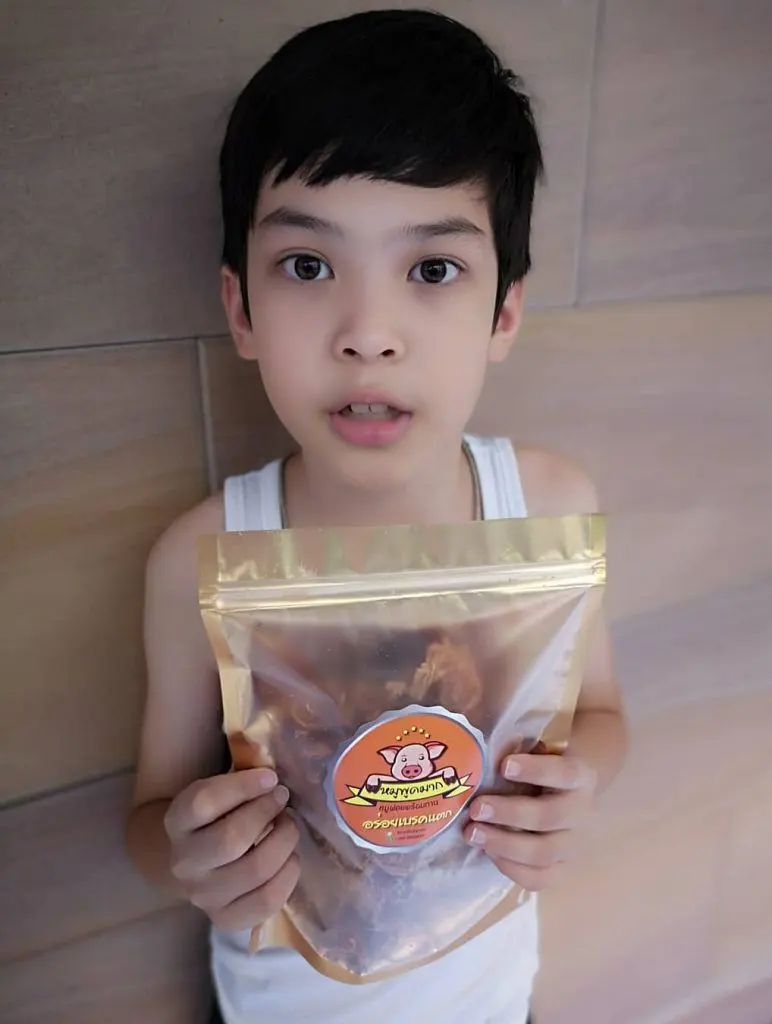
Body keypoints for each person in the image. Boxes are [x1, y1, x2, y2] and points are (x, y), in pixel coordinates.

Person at [125, 9, 627, 1023]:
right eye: (308, 266)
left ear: (504, 312)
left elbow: (602, 717)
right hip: (274, 1002)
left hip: (492, 995)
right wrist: (188, 852)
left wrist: (577, 782)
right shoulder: (203, 557)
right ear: (241, 308)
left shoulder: (545, 509)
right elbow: (150, 813)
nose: (368, 335)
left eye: (432, 269)